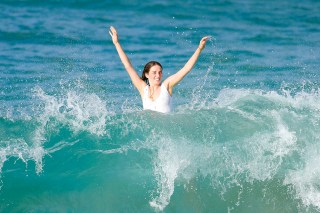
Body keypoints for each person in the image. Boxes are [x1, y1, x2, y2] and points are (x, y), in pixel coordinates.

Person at [109, 26, 209, 113]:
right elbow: (128, 66)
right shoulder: (143, 89)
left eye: (160, 72)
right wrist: (116, 43)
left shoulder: (166, 86)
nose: (158, 75)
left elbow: (186, 69)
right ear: (147, 74)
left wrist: (199, 49)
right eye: (154, 72)